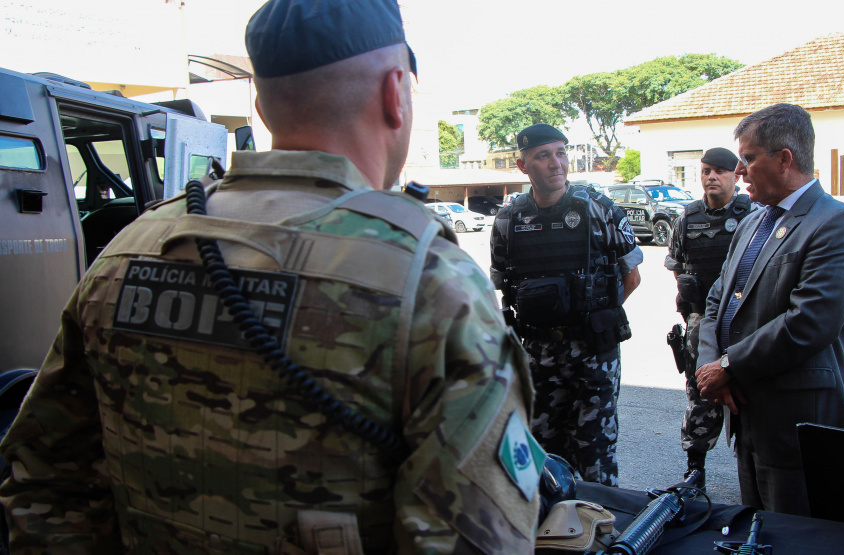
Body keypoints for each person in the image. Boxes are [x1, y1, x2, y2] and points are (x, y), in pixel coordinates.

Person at [0, 1, 543, 553]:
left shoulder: (126, 250)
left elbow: (45, 483)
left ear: (260, 106)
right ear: (395, 92)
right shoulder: (431, 281)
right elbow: (478, 540)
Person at [695, 103, 844, 516]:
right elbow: (717, 300)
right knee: (759, 533)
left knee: (802, 535)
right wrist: (713, 372)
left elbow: (810, 322)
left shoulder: (837, 224)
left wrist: (728, 365)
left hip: (799, 426)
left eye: (749, 158)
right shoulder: (753, 223)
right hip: (747, 414)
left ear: (785, 159)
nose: (738, 171)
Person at [490, 124, 643, 487]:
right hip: (539, 355)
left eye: (561, 152)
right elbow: (503, 285)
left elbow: (631, 277)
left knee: (596, 454)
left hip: (594, 352)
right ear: (522, 165)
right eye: (543, 155)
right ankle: (549, 535)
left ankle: (598, 535)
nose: (556, 163)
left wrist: (594, 312)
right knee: (540, 455)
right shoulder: (508, 221)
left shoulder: (600, 210)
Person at [664, 147, 755, 493]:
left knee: (749, 395)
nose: (711, 177)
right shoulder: (686, 219)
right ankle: (694, 470)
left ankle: (754, 468)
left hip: (746, 324)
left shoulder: (755, 215)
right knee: (701, 394)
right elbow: (678, 269)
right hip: (702, 323)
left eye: (720, 171)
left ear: (735, 175)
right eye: (705, 171)